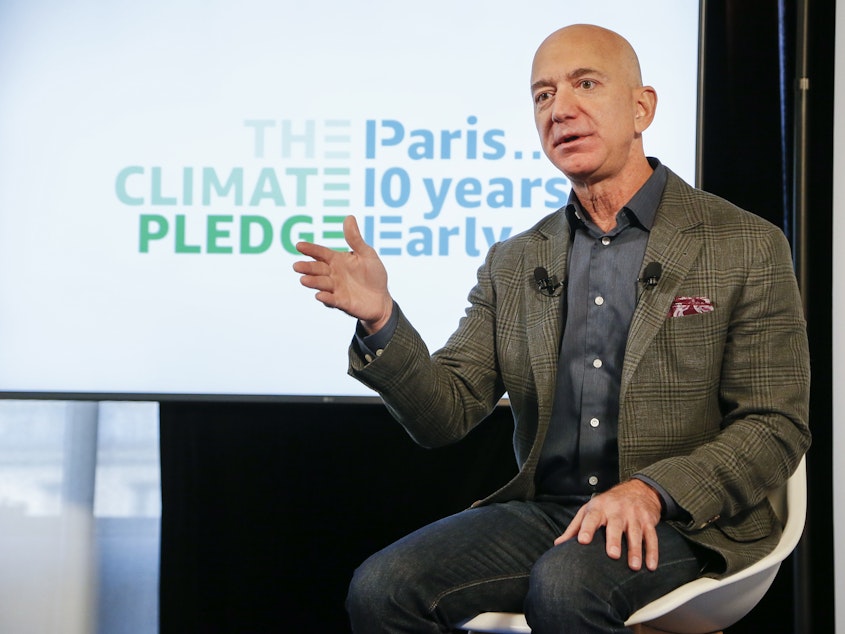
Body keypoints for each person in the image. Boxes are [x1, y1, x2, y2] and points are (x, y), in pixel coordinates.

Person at [293, 24, 811, 634]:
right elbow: (445, 414)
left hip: (683, 518)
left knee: (565, 585)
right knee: (383, 589)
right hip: (551, 512)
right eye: (543, 95)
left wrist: (649, 491)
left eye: (585, 84)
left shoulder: (743, 243)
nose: (560, 108)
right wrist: (381, 319)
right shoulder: (514, 261)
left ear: (642, 107)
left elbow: (774, 425)